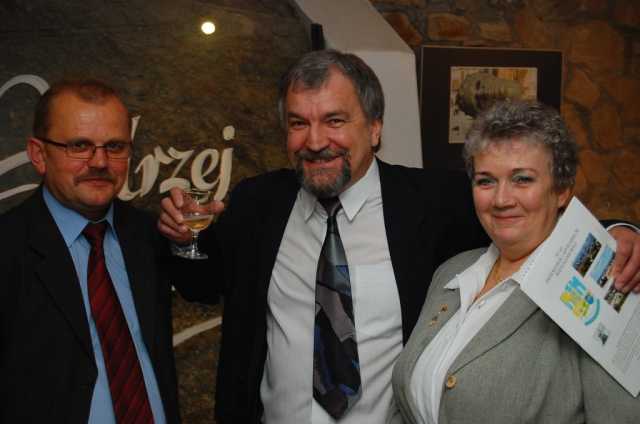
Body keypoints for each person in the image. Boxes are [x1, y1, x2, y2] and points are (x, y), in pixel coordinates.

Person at [158, 50, 640, 424]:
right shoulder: (258, 202)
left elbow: (528, 209)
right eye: (299, 123)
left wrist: (619, 232)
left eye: (335, 120)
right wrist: (184, 238)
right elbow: (203, 284)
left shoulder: (437, 201)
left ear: (375, 127)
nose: (315, 141)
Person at [391, 100, 640, 423]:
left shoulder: (603, 283)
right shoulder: (452, 272)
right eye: (486, 181)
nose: (501, 199)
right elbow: (405, 402)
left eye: (522, 179)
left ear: (562, 190)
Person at [0, 80, 180, 423]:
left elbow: (208, 286)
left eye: (114, 146)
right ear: (39, 154)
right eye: (80, 146)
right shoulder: (8, 248)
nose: (99, 162)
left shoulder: (148, 233)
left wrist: (192, 238)